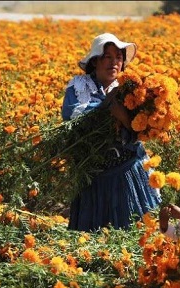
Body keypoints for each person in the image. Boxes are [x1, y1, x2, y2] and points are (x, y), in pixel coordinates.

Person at [61, 32, 161, 232]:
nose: (113, 63)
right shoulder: (79, 86)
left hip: (127, 171)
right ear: (95, 61)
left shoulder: (129, 90)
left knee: (135, 232)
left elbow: (138, 130)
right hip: (93, 176)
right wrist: (108, 107)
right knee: (94, 235)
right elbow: (73, 115)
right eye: (107, 57)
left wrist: (122, 116)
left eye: (119, 58)